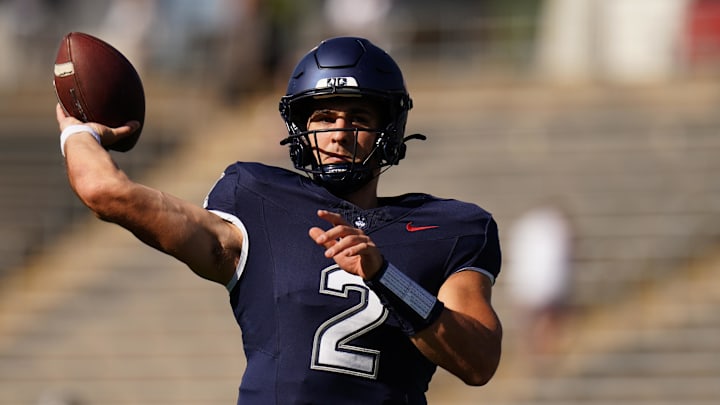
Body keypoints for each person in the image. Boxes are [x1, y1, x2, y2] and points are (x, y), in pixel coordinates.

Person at [56, 36, 502, 404]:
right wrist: (79, 132)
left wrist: (387, 277)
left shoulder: (449, 227)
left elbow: (478, 362)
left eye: (359, 117)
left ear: (390, 130)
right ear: (299, 127)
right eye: (324, 116)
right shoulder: (256, 200)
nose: (340, 132)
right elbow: (105, 192)